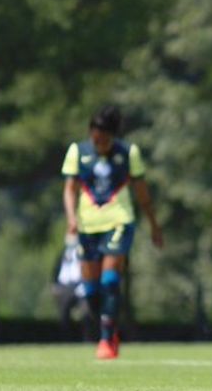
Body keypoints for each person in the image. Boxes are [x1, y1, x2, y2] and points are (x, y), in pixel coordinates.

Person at [61, 104, 163, 359]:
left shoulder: (129, 153)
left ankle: (106, 341)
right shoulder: (77, 152)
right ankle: (110, 330)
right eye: (95, 138)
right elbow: (69, 189)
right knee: (91, 290)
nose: (99, 144)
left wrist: (153, 224)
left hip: (119, 221)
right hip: (87, 227)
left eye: (104, 139)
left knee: (110, 280)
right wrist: (72, 218)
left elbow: (141, 192)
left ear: (113, 136)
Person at [51, 232, 90, 341]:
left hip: (81, 286)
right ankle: (65, 340)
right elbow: (56, 270)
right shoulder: (63, 253)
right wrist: (54, 285)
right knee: (64, 316)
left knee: (86, 313)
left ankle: (86, 339)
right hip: (65, 287)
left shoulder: (83, 253)